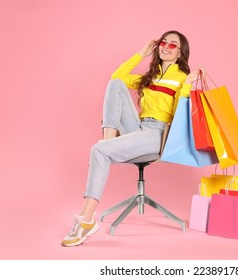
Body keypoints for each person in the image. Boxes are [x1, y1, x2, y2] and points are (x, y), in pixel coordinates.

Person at [61, 30, 202, 246]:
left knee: (97, 151)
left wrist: (187, 87)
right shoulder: (150, 76)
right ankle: (108, 139)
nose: (166, 46)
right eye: (163, 42)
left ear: (180, 54)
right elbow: (116, 77)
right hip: (138, 126)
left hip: (158, 133)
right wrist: (140, 54)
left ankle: (86, 219)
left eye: (173, 45)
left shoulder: (181, 78)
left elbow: (179, 115)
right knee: (115, 84)